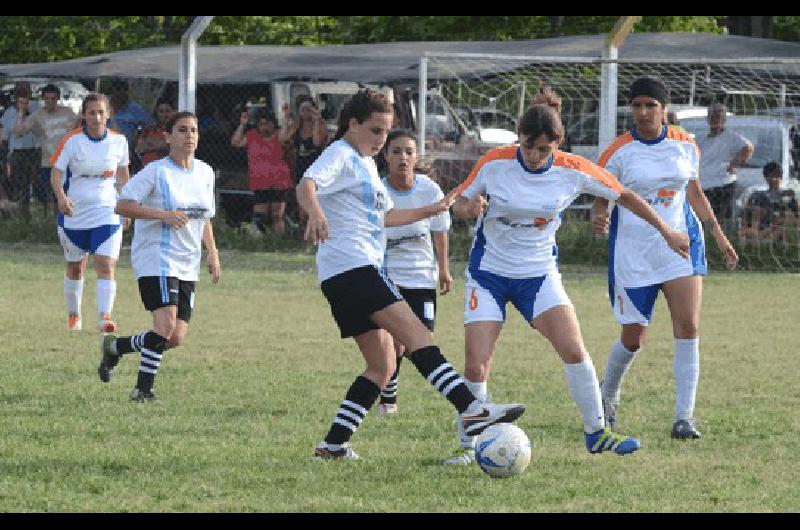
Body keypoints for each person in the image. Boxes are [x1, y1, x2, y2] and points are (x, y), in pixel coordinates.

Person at [442, 92, 693, 466]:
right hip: (489, 275)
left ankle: (597, 433)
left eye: (543, 149)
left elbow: (624, 194)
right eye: (528, 146)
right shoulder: (494, 163)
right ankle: (468, 447)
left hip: (539, 275)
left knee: (573, 349)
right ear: (519, 137)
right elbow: (459, 202)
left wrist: (666, 231)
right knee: (477, 364)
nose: (534, 155)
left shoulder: (573, 168)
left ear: (556, 145)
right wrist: (469, 208)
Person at [296, 89, 525, 460]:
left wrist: (435, 208)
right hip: (354, 267)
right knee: (417, 335)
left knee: (382, 365)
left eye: (385, 132)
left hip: (343, 273)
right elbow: (306, 185)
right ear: (352, 124)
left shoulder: (367, 164)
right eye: (374, 131)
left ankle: (333, 445)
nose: (380, 140)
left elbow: (386, 218)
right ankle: (472, 409)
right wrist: (316, 213)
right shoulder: (340, 153)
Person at [593, 77, 739, 441]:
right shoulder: (618, 151)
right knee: (633, 338)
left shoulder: (686, 144)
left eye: (650, 106)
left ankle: (683, 419)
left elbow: (695, 193)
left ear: (664, 108)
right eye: (637, 106)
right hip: (634, 253)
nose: (643, 113)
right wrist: (600, 214)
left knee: (688, 327)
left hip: (681, 247)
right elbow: (601, 195)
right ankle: (607, 397)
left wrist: (720, 238)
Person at [97, 111, 220, 402]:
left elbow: (205, 218)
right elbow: (123, 205)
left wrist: (212, 252)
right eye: (182, 130)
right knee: (164, 325)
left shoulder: (205, 172)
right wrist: (161, 215)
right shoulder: (156, 171)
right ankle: (143, 391)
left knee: (175, 337)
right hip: (157, 256)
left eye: (193, 130)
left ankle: (116, 348)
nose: (189, 135)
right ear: (167, 137)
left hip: (188, 261)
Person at [375, 129, 453, 416]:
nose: (403, 158)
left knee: (419, 342)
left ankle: (388, 393)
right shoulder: (378, 190)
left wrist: (443, 269)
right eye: (396, 151)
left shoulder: (429, 190)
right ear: (386, 156)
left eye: (409, 152)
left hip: (422, 278)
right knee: (394, 343)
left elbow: (440, 229)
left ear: (416, 156)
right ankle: (389, 401)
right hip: (388, 277)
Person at [50, 93, 130, 333]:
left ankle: (105, 316)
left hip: (107, 211)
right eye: (92, 112)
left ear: (108, 115)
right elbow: (56, 174)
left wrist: (126, 206)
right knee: (76, 266)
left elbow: (123, 175)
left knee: (106, 264)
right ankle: (74, 315)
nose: (97, 117)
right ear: (84, 115)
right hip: (75, 213)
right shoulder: (72, 140)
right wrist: (62, 199)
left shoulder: (119, 141)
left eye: (101, 112)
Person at [14, 83, 79, 217]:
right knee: (42, 191)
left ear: (58, 99)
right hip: (48, 161)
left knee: (65, 192)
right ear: (43, 99)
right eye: (47, 99)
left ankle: (64, 218)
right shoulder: (38, 115)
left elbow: (78, 127)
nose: (50, 102)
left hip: (67, 161)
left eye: (53, 98)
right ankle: (51, 216)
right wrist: (21, 112)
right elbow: (19, 132)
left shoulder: (67, 112)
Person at [231, 107, 293, 236]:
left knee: (277, 215)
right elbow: (236, 142)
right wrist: (242, 124)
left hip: (278, 180)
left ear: (273, 123)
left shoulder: (278, 134)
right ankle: (262, 240)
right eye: (261, 124)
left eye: (268, 124)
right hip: (260, 181)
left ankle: (279, 241)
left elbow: (285, 137)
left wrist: (286, 118)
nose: (265, 127)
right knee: (260, 215)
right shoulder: (252, 135)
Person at [696, 103, 754, 223]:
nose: (714, 119)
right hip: (703, 184)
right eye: (711, 116)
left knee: (718, 219)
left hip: (722, 183)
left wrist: (735, 162)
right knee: (700, 217)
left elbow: (748, 147)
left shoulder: (731, 137)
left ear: (724, 119)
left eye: (717, 116)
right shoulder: (701, 138)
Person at [287, 97, 328, 225]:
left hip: (314, 167)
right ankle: (303, 232)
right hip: (300, 167)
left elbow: (317, 142)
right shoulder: (297, 127)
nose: (306, 112)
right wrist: (287, 118)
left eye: (308, 109)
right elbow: (285, 138)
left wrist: (316, 120)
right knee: (302, 202)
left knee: (314, 200)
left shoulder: (320, 125)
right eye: (303, 109)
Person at [1, 85, 39, 220]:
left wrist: (28, 111)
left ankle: (29, 212)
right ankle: (19, 214)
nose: (24, 102)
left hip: (34, 150)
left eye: (26, 97)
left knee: (33, 183)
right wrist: (21, 113)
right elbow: (15, 133)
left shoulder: (36, 107)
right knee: (17, 183)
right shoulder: (10, 112)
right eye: (20, 99)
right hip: (17, 152)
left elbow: (37, 127)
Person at [739, 161, 798, 243]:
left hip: (779, 226)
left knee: (782, 224)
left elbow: (796, 214)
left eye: (776, 176)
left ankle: (757, 240)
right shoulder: (758, 194)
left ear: (780, 177)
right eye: (770, 176)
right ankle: (756, 237)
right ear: (765, 178)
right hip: (764, 226)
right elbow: (746, 213)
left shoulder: (788, 194)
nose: (773, 179)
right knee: (756, 208)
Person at [107, 79, 154, 145]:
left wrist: (140, 133)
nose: (120, 93)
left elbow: (150, 124)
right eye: (117, 90)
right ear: (112, 92)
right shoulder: (103, 105)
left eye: (124, 90)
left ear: (127, 92)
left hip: (123, 142)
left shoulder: (134, 108)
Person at [135, 98, 176, 166]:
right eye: (161, 111)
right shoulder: (149, 130)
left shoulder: (177, 130)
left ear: (174, 112)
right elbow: (139, 148)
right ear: (157, 113)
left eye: (167, 111)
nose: (164, 115)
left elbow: (169, 146)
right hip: (148, 169)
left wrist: (149, 143)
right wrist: (160, 144)